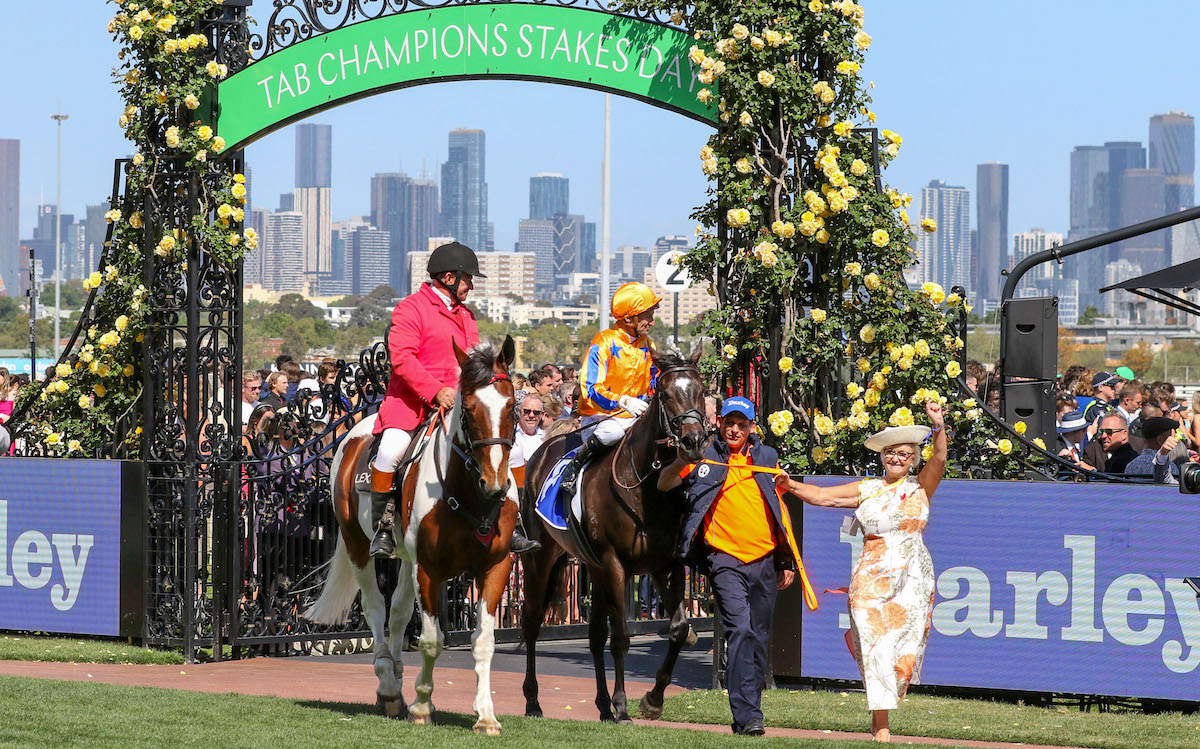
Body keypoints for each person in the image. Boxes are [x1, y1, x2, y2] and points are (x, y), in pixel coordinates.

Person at [777, 400, 946, 743]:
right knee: (873, 643)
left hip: (913, 577)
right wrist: (790, 484)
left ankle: (881, 709)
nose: (896, 459)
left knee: (903, 650)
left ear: (913, 459)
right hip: (871, 576)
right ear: (883, 456)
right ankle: (880, 722)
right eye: (890, 453)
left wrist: (938, 425)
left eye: (903, 454)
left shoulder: (920, 487)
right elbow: (823, 497)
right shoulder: (867, 488)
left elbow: (940, 458)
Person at [658, 396, 815, 737]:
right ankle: (748, 716)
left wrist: (786, 559)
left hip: (765, 561)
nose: (734, 429)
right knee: (740, 630)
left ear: (751, 428)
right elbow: (664, 483)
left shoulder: (767, 457)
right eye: (729, 422)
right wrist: (681, 460)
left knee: (758, 637)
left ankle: (749, 713)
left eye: (741, 424)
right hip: (724, 559)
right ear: (719, 424)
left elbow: (778, 510)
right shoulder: (705, 456)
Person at [369, 241, 538, 557]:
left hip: (457, 407)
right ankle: (383, 528)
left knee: (511, 456)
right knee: (390, 454)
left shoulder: (467, 316)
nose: (471, 285)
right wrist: (434, 390)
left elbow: (472, 363)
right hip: (411, 405)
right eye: (468, 279)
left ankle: (515, 525)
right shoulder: (410, 308)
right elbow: (402, 358)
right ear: (448, 277)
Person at [558, 282, 662, 497]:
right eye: (647, 315)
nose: (652, 321)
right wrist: (623, 401)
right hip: (599, 418)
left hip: (635, 419)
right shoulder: (604, 342)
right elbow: (590, 389)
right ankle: (575, 465)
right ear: (627, 318)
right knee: (611, 433)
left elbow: (654, 384)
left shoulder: (649, 346)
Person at [1123, 416, 1181, 483]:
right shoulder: (1170, 467)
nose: (1175, 439)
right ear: (1160, 439)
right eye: (1170, 435)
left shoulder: (1131, 465)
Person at [509, 394, 546, 477]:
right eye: (527, 411)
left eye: (536, 412)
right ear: (519, 412)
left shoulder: (546, 438)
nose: (531, 415)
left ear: (542, 415)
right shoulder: (510, 436)